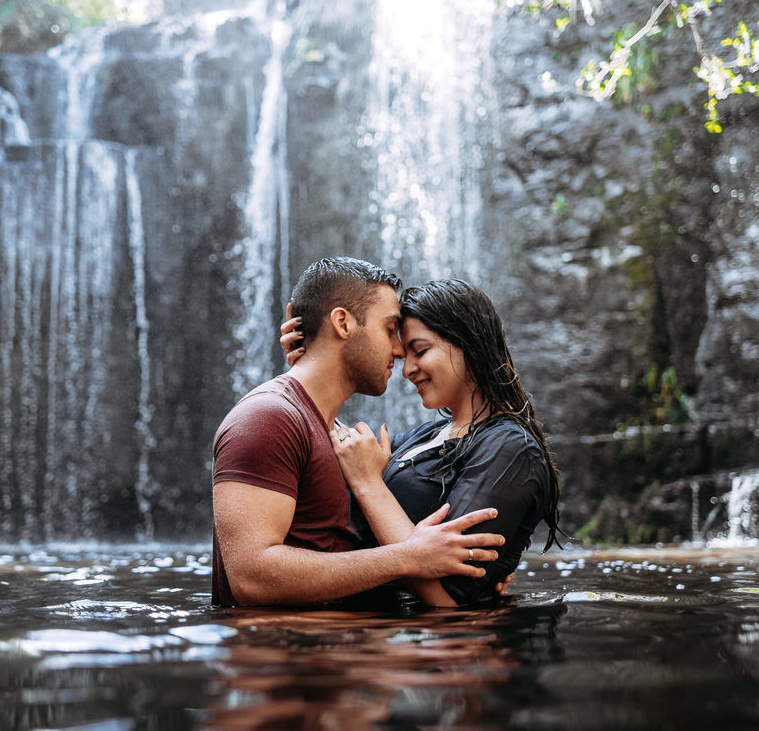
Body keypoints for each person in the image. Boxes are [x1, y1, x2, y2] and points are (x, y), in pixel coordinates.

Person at [211, 257, 507, 608]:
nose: (399, 352)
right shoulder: (267, 417)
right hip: (289, 660)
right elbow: (251, 577)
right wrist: (408, 556)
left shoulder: (337, 435)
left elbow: (338, 555)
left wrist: (468, 572)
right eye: (389, 329)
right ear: (343, 323)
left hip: (341, 656)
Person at [282, 278, 563, 607]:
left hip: (438, 649)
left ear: (468, 343)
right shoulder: (427, 436)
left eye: (421, 351)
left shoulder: (510, 448)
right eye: (405, 356)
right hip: (384, 639)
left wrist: (370, 483)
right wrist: (314, 363)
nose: (407, 370)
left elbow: (449, 595)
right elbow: (343, 451)